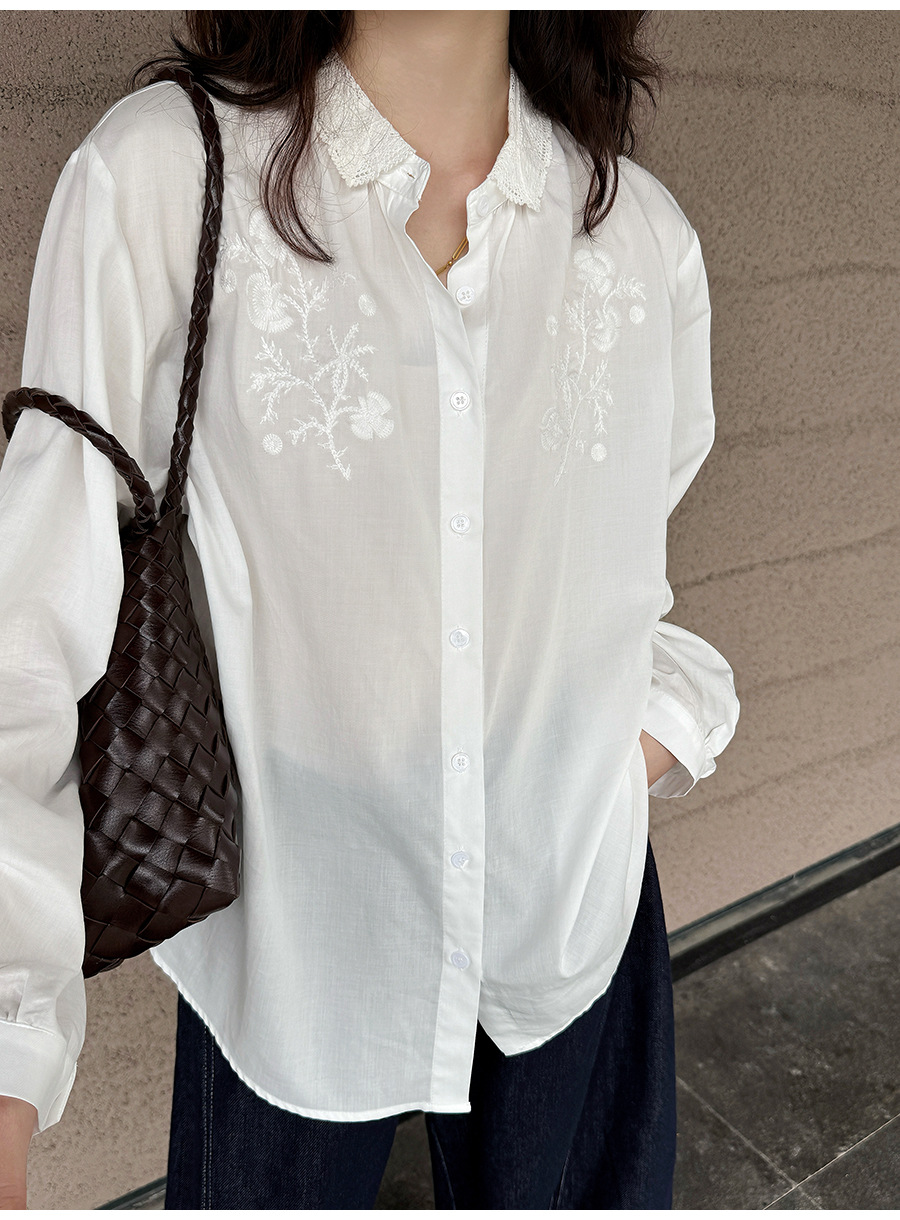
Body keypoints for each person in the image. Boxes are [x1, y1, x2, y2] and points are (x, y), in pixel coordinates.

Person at [0, 10, 740, 1210]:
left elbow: (623, 564)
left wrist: (632, 750)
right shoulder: (165, 177)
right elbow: (30, 625)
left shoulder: (640, 237)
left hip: (568, 912)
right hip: (298, 941)